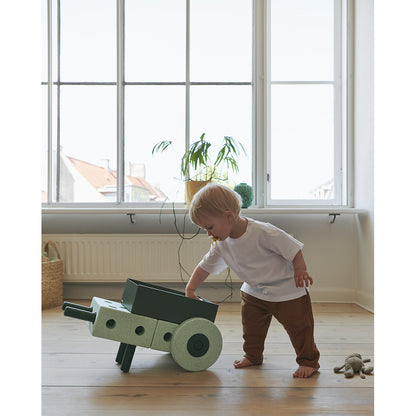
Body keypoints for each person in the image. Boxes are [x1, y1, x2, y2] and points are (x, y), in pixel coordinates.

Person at [185, 183, 320, 378]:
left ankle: (308, 361)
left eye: (209, 227)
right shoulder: (221, 243)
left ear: (228, 216)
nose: (209, 234)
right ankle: (253, 355)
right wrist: (190, 289)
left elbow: (292, 248)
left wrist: (300, 269)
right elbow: (205, 266)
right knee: (251, 329)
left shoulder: (263, 232)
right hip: (254, 291)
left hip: (286, 291)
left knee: (300, 327)